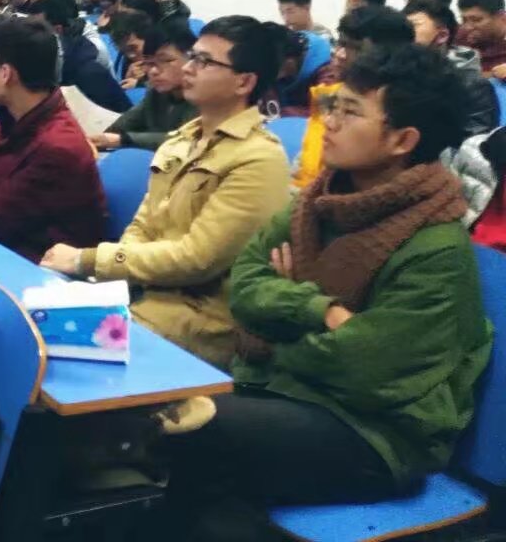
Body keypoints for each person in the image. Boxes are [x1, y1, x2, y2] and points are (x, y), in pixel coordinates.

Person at [163, 45, 489, 541]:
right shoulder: (317, 202)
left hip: (376, 436)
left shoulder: (436, 246)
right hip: (286, 395)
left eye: (350, 111)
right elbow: (246, 286)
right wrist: (318, 308)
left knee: (201, 432)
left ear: (403, 140)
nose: (329, 122)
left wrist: (277, 324)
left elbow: (364, 370)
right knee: (186, 448)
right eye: (333, 105)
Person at [42, 16, 290, 368]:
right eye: (193, 57)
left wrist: (89, 260)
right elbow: (144, 224)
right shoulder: (181, 140)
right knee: (40, 320)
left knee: (62, 350)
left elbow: (196, 260)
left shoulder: (258, 159)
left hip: (200, 316)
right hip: (147, 292)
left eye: (204, 61)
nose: (188, 68)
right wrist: (116, 277)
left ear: (244, 82)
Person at [0, 17, 106, 262]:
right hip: (9, 248)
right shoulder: (21, 122)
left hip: (40, 268)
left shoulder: (56, 147)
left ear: (6, 73)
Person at [293, 6, 414, 189]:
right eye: (340, 44)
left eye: (355, 48)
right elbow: (302, 169)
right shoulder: (328, 97)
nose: (339, 54)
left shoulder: (408, 109)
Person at [405, 0, 500, 137]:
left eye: (413, 25)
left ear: (442, 35)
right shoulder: (397, 75)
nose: (404, 32)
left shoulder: (472, 84)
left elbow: (475, 141)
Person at [95, 22, 197, 151]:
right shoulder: (156, 91)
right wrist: (99, 138)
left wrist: (124, 139)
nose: (153, 71)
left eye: (166, 61)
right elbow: (128, 121)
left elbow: (187, 140)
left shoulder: (207, 97)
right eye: (148, 62)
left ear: (193, 59)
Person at [29, 0, 128, 114]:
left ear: (57, 30)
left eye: (37, 30)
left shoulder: (88, 71)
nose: (29, 35)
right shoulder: (42, 60)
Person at [274, 28, 334, 117]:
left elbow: (324, 113)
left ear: (290, 61)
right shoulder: (284, 55)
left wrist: (283, 112)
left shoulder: (327, 72)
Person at [456, 0, 506, 78]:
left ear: (502, 17)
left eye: (476, 20)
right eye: (464, 20)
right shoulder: (459, 37)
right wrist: (492, 75)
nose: (468, 27)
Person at [109, 10, 154, 88]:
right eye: (124, 51)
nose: (130, 55)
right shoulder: (122, 61)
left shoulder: (169, 57)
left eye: (133, 48)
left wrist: (140, 84)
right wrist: (128, 80)